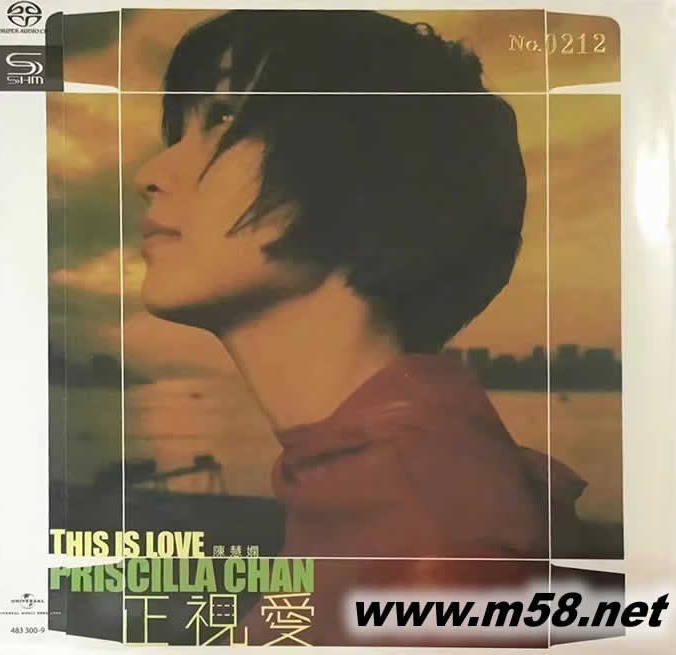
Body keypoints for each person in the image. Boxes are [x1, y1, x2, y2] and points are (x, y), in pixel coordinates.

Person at [135, 10, 587, 644]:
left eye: (225, 119)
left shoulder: (434, 544)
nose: (149, 174)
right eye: (179, 129)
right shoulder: (362, 478)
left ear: (365, 167)